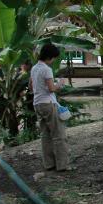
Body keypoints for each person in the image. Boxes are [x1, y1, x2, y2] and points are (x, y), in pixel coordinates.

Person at [30, 43, 70, 171]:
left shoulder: (34, 68)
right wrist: (60, 83)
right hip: (48, 103)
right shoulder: (47, 69)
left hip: (37, 103)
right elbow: (52, 88)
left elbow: (31, 87)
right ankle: (62, 165)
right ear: (50, 57)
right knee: (59, 134)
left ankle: (49, 164)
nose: (54, 61)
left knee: (45, 135)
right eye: (54, 58)